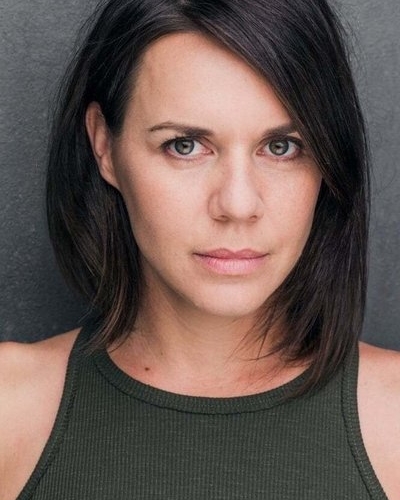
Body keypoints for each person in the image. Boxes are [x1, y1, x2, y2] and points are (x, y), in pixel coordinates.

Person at [1, 0, 399, 498]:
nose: (238, 204)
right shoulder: (10, 408)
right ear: (104, 146)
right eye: (185, 145)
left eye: (282, 147)